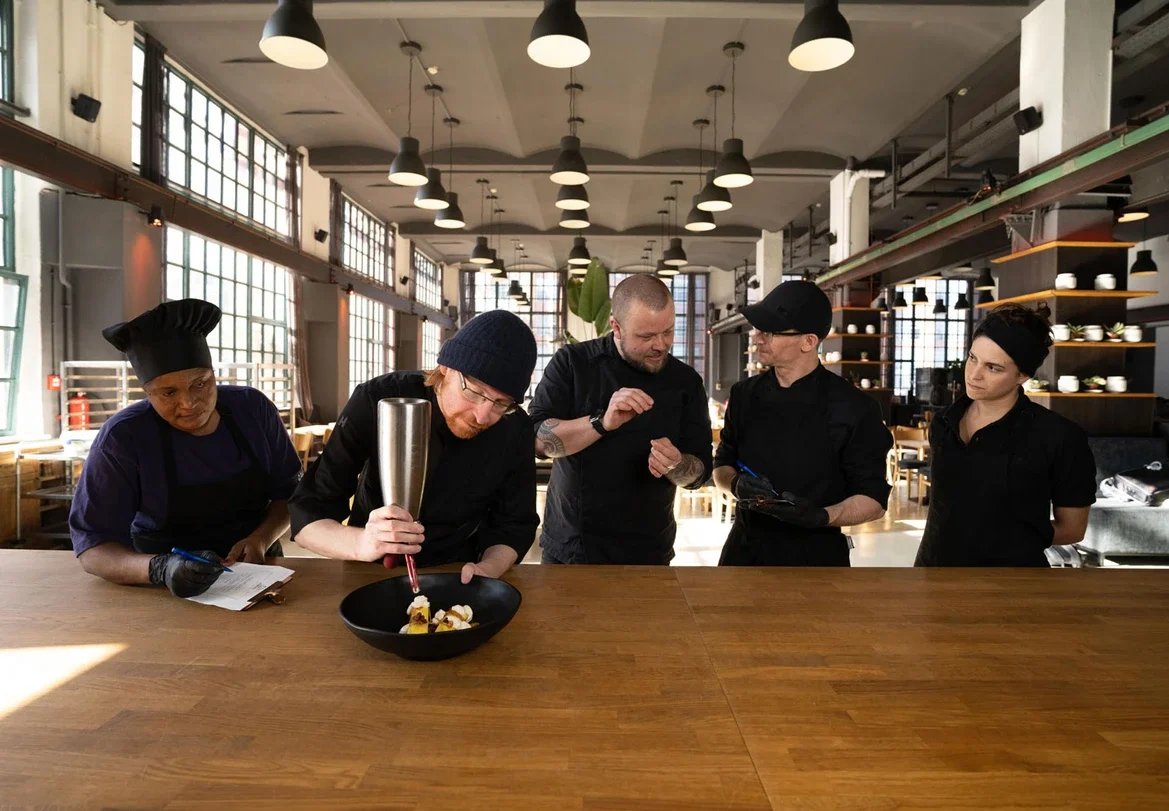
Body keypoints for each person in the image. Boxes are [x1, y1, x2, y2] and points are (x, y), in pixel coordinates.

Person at [69, 299, 303, 597]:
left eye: (200, 384)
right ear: (148, 393)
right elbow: (93, 548)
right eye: (169, 392)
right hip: (156, 587)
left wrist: (261, 538)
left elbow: (289, 494)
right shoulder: (124, 437)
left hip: (257, 573)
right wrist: (160, 569)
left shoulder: (253, 411)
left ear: (214, 376)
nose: (189, 403)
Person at [289, 310, 539, 582]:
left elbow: (514, 523)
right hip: (369, 567)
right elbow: (308, 517)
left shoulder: (516, 427)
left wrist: (488, 569)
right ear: (445, 367)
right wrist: (362, 543)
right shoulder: (379, 400)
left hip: (460, 569)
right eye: (474, 392)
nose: (483, 417)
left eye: (501, 403)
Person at [529, 275, 712, 564]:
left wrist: (677, 465)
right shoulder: (573, 363)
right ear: (615, 327)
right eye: (646, 336)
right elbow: (538, 442)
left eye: (668, 332)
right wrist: (601, 422)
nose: (660, 345)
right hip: (573, 548)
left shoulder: (686, 382)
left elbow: (699, 473)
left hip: (650, 551)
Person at [712, 281, 892, 566]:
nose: (757, 338)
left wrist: (823, 516)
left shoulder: (855, 408)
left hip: (817, 556)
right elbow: (721, 465)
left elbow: (874, 501)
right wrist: (735, 484)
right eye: (757, 329)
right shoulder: (744, 395)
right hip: (744, 551)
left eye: (769, 332)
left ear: (808, 342)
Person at [915, 303, 1096, 566]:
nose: (974, 375)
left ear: (1022, 375)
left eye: (993, 368)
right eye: (972, 358)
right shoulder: (944, 422)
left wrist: (1009, 537)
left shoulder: (1060, 437)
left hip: (1012, 582)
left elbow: (1073, 529)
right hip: (933, 573)